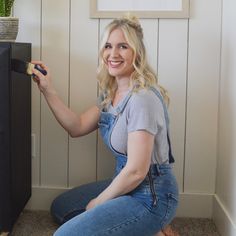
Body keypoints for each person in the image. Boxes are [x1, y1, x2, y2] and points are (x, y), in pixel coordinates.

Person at [32, 15, 179, 236]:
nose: (113, 54)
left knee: (63, 235)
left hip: (151, 196)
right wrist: (47, 89)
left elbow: (137, 171)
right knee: (62, 208)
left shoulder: (142, 99)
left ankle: (152, 224)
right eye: (108, 46)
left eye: (123, 46)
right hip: (125, 184)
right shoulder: (111, 94)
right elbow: (77, 127)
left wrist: (99, 202)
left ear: (136, 52)